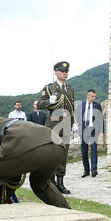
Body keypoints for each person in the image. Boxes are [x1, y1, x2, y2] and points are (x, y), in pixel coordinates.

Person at [37, 61, 76, 195]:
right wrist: (50, 101)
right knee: (53, 153)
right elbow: (40, 104)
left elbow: (72, 108)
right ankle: (51, 181)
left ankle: (60, 183)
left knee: (63, 153)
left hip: (66, 125)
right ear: (56, 72)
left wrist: (74, 122)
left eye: (66, 72)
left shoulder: (70, 89)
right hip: (53, 124)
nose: (64, 73)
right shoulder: (49, 88)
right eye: (62, 71)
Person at [77, 89, 103, 178]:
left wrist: (102, 131)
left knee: (93, 149)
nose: (94, 98)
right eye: (92, 96)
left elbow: (100, 119)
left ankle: (94, 170)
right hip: (83, 130)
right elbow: (77, 118)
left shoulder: (97, 105)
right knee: (84, 151)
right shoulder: (81, 105)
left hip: (93, 130)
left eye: (95, 96)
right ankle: (86, 171)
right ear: (87, 96)